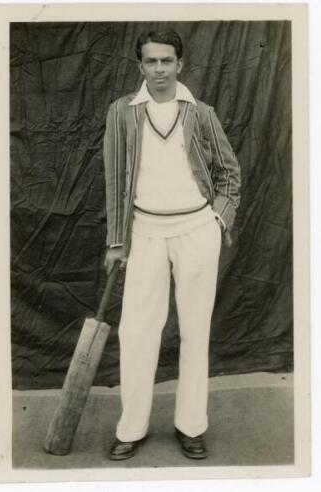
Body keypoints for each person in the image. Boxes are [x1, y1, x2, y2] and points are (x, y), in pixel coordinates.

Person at [103, 30, 241, 460]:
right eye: (151, 62)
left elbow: (229, 174)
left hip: (196, 231)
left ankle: (191, 426)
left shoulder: (200, 113)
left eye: (166, 61)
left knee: (195, 331)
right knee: (136, 331)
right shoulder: (122, 113)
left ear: (180, 64)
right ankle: (132, 427)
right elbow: (114, 180)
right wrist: (116, 240)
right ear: (140, 66)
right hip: (144, 232)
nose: (159, 69)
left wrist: (218, 220)